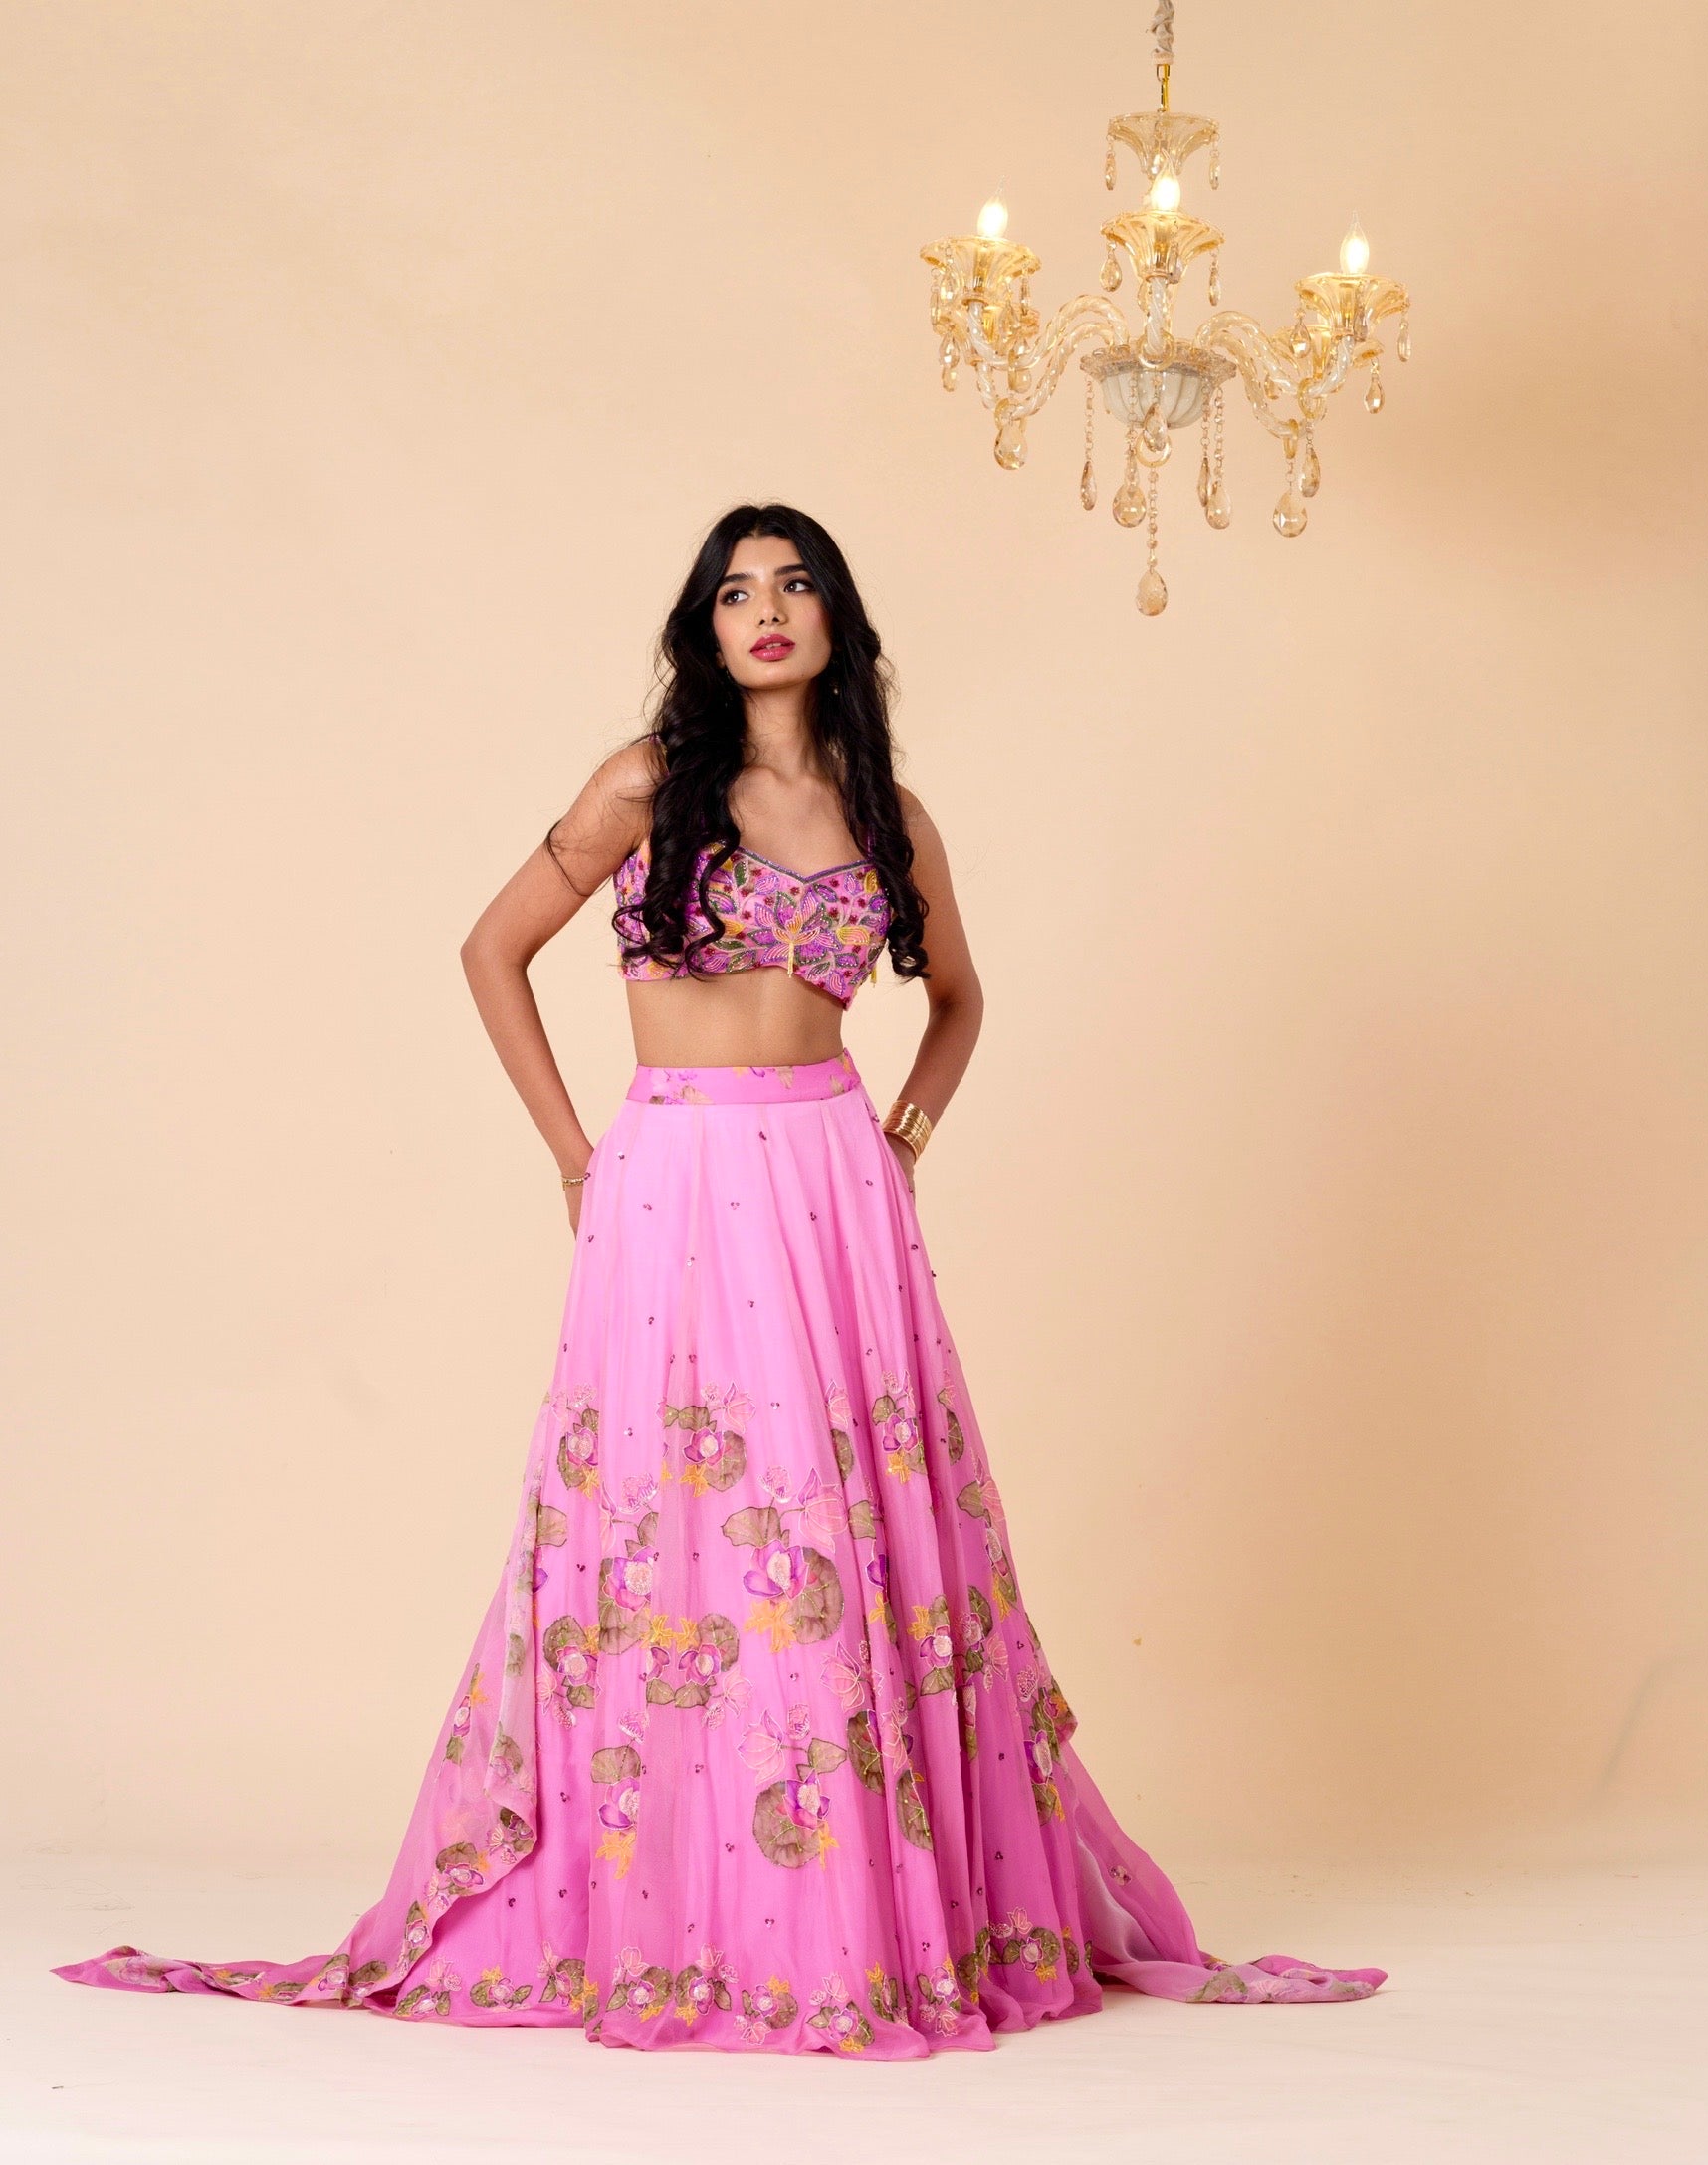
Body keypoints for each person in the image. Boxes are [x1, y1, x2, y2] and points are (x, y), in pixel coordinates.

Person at [53, 503, 1385, 2055]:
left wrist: (904, 1134)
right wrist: (574, 1153)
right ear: (705, 625)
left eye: (797, 584)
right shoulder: (646, 784)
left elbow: (958, 1000)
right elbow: (493, 948)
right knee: (676, 1529)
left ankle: (852, 1921)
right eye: (738, 590)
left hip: (829, 1182)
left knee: (844, 1518)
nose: (768, 610)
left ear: (837, 620)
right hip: (674, 1175)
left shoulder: (890, 812)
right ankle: (690, 1912)